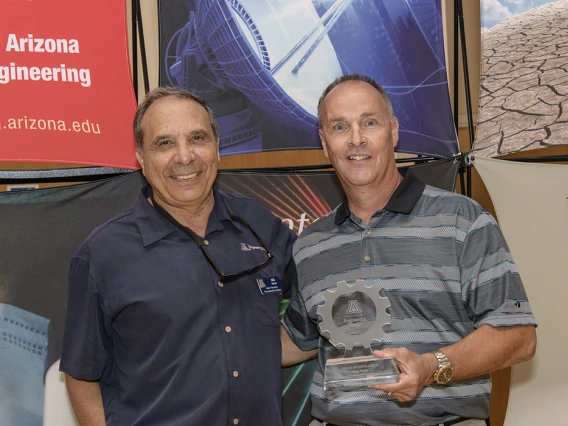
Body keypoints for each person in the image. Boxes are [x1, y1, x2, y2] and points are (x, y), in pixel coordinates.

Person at [280, 75, 537, 426]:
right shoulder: (310, 245)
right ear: (325, 143)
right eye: (340, 126)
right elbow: (297, 341)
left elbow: (518, 337)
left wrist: (430, 366)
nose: (357, 138)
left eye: (369, 122)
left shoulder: (463, 221)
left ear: (393, 130)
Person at [60, 86, 297, 425]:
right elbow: (82, 376)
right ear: (141, 157)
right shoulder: (102, 254)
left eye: (198, 138)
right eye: (165, 143)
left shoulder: (259, 224)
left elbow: (318, 296)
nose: (185, 157)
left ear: (217, 147)